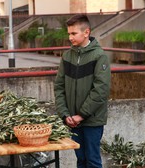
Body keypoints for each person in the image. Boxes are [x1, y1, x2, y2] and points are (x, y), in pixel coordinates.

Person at [54, 14, 111, 168]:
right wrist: (65, 114)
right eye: (69, 34)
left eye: (74, 33)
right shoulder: (66, 56)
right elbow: (59, 87)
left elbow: (101, 90)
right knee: (81, 160)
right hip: (72, 121)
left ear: (86, 32)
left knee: (92, 160)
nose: (70, 37)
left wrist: (82, 115)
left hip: (92, 120)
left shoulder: (99, 56)